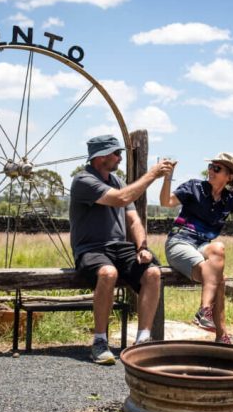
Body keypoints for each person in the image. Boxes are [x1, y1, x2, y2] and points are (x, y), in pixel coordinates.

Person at [69, 135, 173, 365]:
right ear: (101, 157)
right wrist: (152, 175)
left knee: (153, 272)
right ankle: (99, 342)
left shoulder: (117, 181)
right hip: (91, 248)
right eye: (117, 153)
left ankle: (143, 340)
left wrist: (142, 247)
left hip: (119, 247)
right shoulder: (83, 181)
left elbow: (134, 220)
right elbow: (120, 199)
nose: (120, 157)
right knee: (108, 273)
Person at [159, 153, 233, 344]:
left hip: (203, 246)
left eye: (217, 168)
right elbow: (166, 202)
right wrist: (167, 177)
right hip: (180, 241)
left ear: (229, 177)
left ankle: (204, 313)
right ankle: (219, 332)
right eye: (211, 166)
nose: (211, 170)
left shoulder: (230, 198)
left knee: (219, 247)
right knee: (219, 277)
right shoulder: (194, 187)